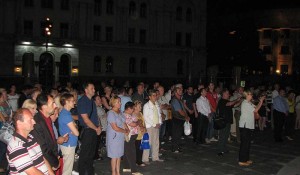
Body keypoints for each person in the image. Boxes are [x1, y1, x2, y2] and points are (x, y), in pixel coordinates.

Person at [7, 108, 51, 174]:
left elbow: (42, 157)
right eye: (30, 119)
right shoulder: (16, 146)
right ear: (19, 123)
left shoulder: (30, 137)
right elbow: (32, 172)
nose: (34, 122)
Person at [30, 93, 61, 171]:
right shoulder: (37, 122)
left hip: (51, 159)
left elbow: (51, 140)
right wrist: (55, 162)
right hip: (44, 163)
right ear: (44, 107)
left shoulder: (48, 118)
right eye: (52, 104)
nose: (55, 106)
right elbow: (43, 148)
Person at [77, 82, 102, 175]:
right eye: (92, 88)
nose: (94, 90)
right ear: (86, 90)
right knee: (85, 155)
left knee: (91, 154)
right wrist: (96, 128)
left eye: (94, 88)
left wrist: (98, 127)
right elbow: (86, 119)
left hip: (93, 130)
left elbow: (94, 116)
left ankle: (90, 172)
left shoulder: (91, 101)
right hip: (88, 130)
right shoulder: (83, 101)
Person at [238, 90, 265, 166]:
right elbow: (256, 110)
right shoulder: (245, 103)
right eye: (250, 94)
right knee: (244, 144)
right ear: (246, 95)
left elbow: (256, 108)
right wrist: (261, 101)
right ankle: (241, 160)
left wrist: (259, 102)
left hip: (249, 126)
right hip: (245, 126)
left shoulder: (249, 103)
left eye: (251, 94)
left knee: (247, 143)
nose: (252, 95)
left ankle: (246, 159)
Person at [106, 96, 129, 175]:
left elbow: (123, 122)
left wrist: (127, 129)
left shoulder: (120, 112)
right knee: (114, 156)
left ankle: (118, 172)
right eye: (118, 102)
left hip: (120, 137)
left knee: (119, 156)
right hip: (113, 137)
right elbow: (115, 127)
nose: (120, 103)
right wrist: (124, 130)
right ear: (113, 103)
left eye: (120, 102)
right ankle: (113, 172)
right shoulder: (111, 113)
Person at [58, 93, 79, 175]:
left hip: (68, 143)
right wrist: (74, 129)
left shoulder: (66, 113)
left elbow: (75, 129)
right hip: (68, 145)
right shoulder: (66, 115)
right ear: (66, 102)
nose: (74, 102)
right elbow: (77, 133)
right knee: (67, 170)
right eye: (72, 101)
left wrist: (74, 129)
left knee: (68, 168)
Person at [217, 89, 241, 156]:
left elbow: (235, 105)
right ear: (224, 94)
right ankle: (220, 150)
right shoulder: (222, 101)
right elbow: (230, 103)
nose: (228, 95)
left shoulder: (227, 101)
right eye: (227, 93)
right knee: (222, 136)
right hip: (223, 121)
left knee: (226, 136)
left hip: (227, 121)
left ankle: (224, 148)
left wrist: (240, 100)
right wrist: (236, 100)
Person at [142, 89, 164, 162]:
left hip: (156, 126)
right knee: (148, 142)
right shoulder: (146, 105)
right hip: (150, 126)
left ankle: (155, 157)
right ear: (149, 97)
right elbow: (146, 117)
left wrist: (159, 123)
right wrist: (154, 124)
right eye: (153, 95)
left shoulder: (157, 104)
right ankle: (145, 159)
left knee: (156, 142)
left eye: (156, 95)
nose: (155, 97)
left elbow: (159, 115)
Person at [123, 102, 143, 175]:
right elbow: (133, 124)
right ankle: (134, 170)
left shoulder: (130, 114)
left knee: (127, 152)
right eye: (133, 108)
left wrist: (137, 122)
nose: (133, 110)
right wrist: (137, 122)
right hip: (129, 136)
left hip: (133, 135)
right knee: (131, 153)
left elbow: (138, 121)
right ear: (128, 108)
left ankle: (126, 167)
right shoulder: (125, 115)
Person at [170, 86, 190, 152]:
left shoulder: (179, 99)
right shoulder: (175, 100)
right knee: (176, 134)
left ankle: (177, 147)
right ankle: (174, 148)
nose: (181, 91)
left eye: (181, 90)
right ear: (175, 92)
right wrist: (186, 116)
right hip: (177, 119)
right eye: (179, 90)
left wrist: (186, 116)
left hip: (180, 119)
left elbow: (183, 109)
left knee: (179, 134)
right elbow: (180, 111)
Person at [133, 100, 146, 167]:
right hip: (136, 133)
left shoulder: (140, 113)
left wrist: (144, 129)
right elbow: (135, 123)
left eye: (141, 106)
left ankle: (139, 160)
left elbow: (143, 122)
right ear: (135, 107)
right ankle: (136, 161)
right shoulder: (133, 114)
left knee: (141, 148)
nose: (141, 107)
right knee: (136, 148)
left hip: (141, 133)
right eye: (139, 106)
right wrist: (141, 126)